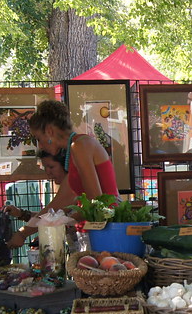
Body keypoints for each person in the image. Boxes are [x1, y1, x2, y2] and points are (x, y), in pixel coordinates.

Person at [7, 100, 121, 248]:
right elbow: (60, 205)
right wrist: (29, 231)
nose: (40, 145)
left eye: (38, 139)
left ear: (49, 131)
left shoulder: (79, 146)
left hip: (108, 233)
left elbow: (96, 203)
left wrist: (24, 233)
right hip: (100, 231)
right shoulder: (77, 148)